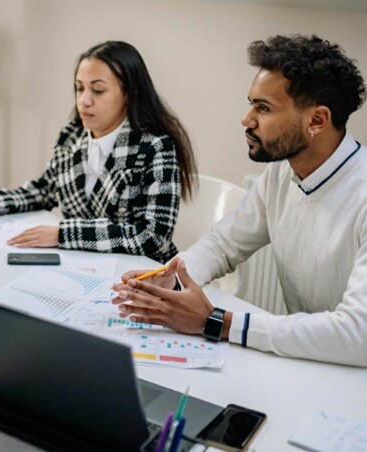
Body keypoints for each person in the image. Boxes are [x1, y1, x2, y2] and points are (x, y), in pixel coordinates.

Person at [113, 35, 367, 367]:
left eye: (263, 108)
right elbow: (223, 243)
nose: (246, 119)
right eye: (251, 104)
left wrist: (216, 321)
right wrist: (173, 276)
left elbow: (357, 334)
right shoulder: (280, 174)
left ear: (317, 120)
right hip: (307, 363)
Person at [0, 41, 196, 263]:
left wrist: (63, 234)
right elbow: (47, 189)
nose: (84, 101)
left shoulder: (155, 146)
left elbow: (154, 238)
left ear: (129, 94)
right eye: (79, 88)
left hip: (142, 276)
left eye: (98, 90)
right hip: (80, 264)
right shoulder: (73, 134)